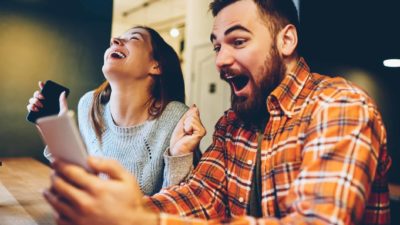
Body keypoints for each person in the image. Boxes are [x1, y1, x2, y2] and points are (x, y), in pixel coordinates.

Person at [43, 0, 392, 225]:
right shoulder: (232, 125)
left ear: (286, 41)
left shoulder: (338, 105)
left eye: (238, 41)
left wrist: (141, 221)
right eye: (216, 46)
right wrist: (123, 210)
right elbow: (200, 195)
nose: (221, 60)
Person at [27, 26, 204, 196]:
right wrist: (56, 131)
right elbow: (80, 180)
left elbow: (177, 201)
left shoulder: (174, 116)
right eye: (114, 41)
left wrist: (180, 156)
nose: (114, 40)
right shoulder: (89, 105)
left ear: (156, 66)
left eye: (133, 38)